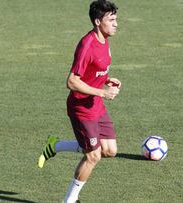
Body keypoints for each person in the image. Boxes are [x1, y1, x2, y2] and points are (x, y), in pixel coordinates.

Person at [37, 0, 120, 202]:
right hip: (82, 108)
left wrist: (107, 79)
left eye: (116, 19)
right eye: (111, 20)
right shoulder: (87, 45)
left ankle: (55, 146)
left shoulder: (105, 39)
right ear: (98, 21)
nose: (116, 23)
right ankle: (69, 200)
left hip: (96, 105)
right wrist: (101, 92)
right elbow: (72, 81)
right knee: (93, 156)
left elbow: (93, 70)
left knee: (109, 150)